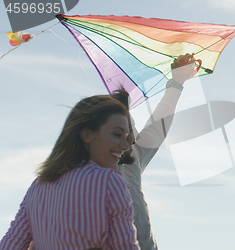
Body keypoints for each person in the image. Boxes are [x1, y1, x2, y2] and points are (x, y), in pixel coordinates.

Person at [0, 94, 139, 249]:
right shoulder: (109, 181)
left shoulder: (37, 186)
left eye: (126, 137)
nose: (125, 146)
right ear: (86, 134)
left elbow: (10, 245)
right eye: (117, 134)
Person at [113, 53, 196, 250]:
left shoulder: (132, 157)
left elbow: (158, 125)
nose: (129, 138)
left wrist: (177, 82)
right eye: (118, 132)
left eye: (131, 130)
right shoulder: (77, 178)